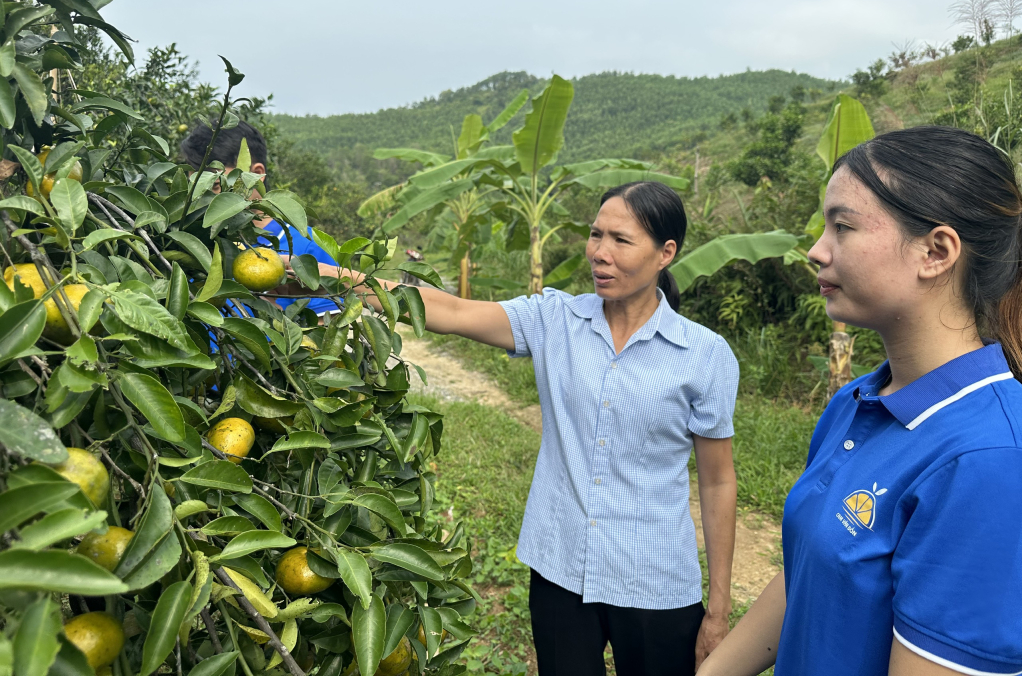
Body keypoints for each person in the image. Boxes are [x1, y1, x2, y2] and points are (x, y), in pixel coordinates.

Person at [309, 181, 740, 675]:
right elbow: (449, 310)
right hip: (559, 569)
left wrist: (719, 609)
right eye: (596, 235)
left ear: (666, 253)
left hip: (655, 580)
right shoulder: (556, 320)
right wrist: (313, 274)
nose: (600, 253)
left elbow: (717, 481)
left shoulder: (704, 355)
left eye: (621, 240)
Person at [696, 126, 1022, 676]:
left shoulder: (989, 459)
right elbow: (810, 571)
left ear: (935, 251)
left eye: (842, 226)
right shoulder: (855, 401)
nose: (816, 250)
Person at [180, 120, 338, 317]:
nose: (205, 200)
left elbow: (325, 330)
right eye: (196, 189)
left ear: (256, 175)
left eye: (215, 186)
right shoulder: (193, 242)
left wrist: (275, 319)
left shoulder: (306, 247)